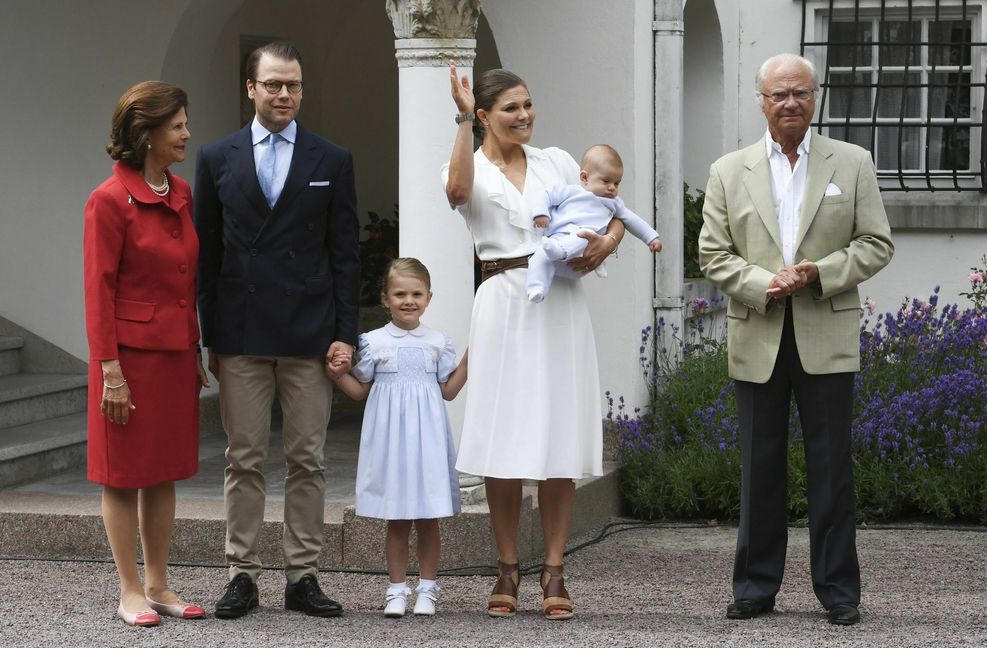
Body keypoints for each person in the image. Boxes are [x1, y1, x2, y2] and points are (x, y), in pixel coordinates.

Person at [698, 53, 894, 626]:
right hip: (758, 330)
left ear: (815, 98)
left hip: (825, 330)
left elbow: (876, 243)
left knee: (832, 467)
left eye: (800, 93)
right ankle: (756, 587)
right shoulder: (728, 170)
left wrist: (817, 273)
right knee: (760, 467)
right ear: (761, 102)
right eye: (779, 94)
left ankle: (838, 591)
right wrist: (766, 282)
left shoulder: (852, 162)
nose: (790, 103)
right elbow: (712, 253)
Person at [442, 62, 622, 621]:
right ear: (485, 116)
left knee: (557, 436)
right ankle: (505, 567)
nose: (524, 116)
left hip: (560, 304)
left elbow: (609, 208)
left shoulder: (558, 162)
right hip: (501, 299)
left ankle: (554, 568)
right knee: (503, 437)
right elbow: (456, 192)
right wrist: (461, 120)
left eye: (527, 104)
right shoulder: (468, 161)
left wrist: (610, 242)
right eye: (511, 108)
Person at [194, 41, 360, 619]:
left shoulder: (331, 159)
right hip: (240, 333)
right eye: (273, 85)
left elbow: (345, 255)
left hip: (310, 334)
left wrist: (346, 333)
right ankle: (241, 573)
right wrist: (209, 336)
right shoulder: (217, 158)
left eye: (292, 85)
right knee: (243, 458)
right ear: (251, 89)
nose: (284, 95)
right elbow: (206, 256)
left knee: (307, 458)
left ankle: (303, 576)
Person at [83, 80, 208, 626]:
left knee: (163, 471)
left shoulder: (179, 193)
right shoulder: (108, 201)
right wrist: (110, 370)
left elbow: (185, 279)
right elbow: (98, 291)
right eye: (177, 125)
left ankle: (159, 583)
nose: (186, 133)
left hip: (175, 354)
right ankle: (130, 588)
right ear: (147, 133)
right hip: (126, 361)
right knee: (123, 473)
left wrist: (195, 343)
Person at [328, 258, 468, 618]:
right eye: (400, 293)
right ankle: (395, 589)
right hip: (391, 442)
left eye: (417, 294)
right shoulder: (373, 342)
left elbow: (448, 391)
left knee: (428, 517)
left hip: (428, 441)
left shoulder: (438, 342)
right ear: (385, 299)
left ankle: (428, 588)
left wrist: (468, 364)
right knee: (398, 518)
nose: (409, 300)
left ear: (429, 298)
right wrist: (336, 374)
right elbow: (359, 391)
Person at [526, 144, 662, 302]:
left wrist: (651, 238)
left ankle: (560, 250)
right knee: (540, 256)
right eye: (606, 181)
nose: (612, 188)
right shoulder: (572, 191)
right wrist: (541, 213)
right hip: (557, 245)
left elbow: (632, 220)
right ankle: (536, 288)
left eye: (616, 183)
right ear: (584, 178)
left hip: (581, 254)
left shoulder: (614, 203)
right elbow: (547, 195)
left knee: (582, 236)